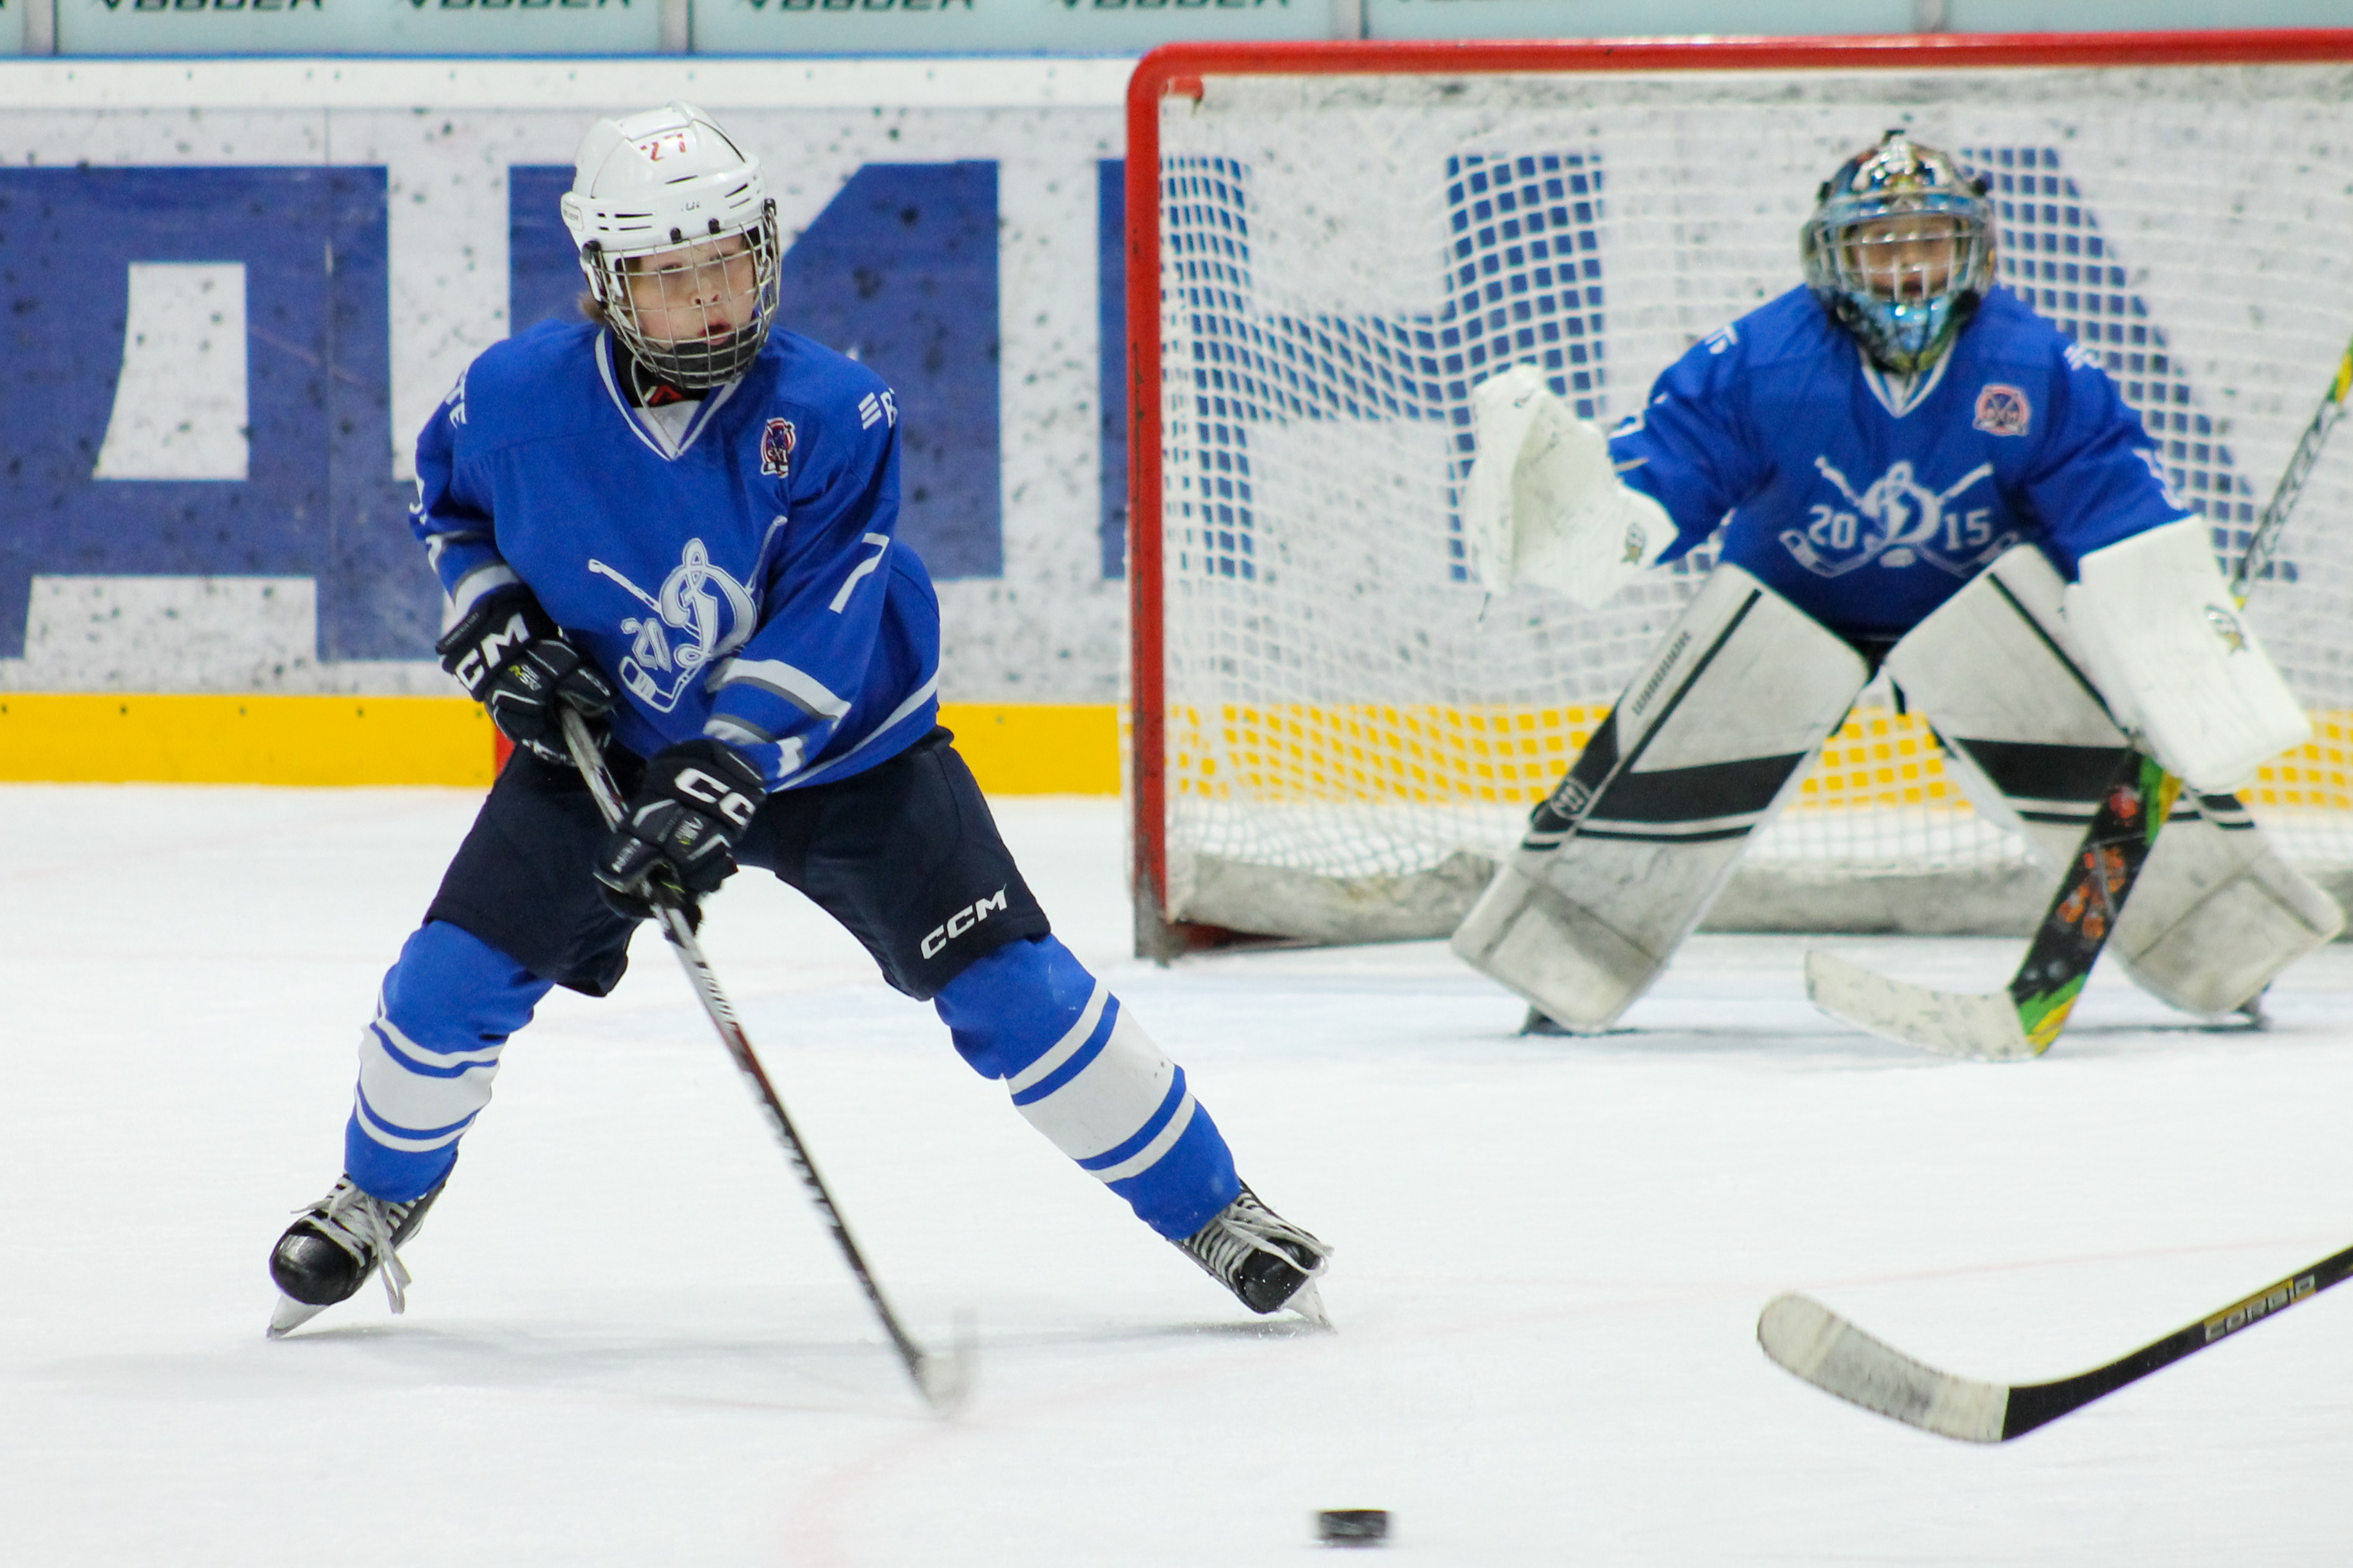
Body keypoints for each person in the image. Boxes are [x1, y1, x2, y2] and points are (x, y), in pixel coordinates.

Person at [265, 103, 1328, 1335]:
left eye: (729, 263)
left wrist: (723, 768)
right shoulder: (510, 399)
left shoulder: (834, 411)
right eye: (674, 278)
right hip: (616, 748)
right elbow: (450, 510)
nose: (713, 302)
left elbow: (824, 620)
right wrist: (494, 617)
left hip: (850, 756)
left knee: (1015, 989)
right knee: (446, 983)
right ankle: (377, 1193)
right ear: (607, 278)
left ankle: (1214, 1207)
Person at [1451, 129, 2339, 1034]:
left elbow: (2116, 515)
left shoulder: (2036, 367)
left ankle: (2227, 945)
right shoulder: (1760, 362)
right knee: (1713, 695)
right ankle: (1562, 958)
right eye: (1882, 245)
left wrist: (2175, 643)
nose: (1910, 269)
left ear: (1975, 249)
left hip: (1981, 619)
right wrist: (1602, 520)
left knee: (2080, 720)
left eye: (1932, 241)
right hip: (1790, 610)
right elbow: (1666, 479)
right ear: (1834, 256)